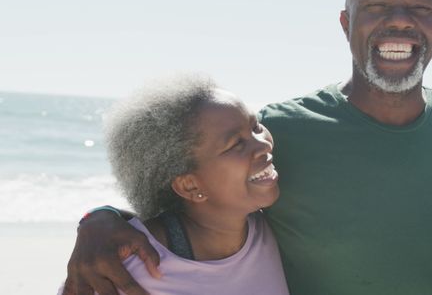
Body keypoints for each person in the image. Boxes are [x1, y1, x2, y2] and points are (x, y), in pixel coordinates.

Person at [62, 0, 432, 294]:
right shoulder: (276, 134)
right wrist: (99, 219)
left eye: (419, 8)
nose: (400, 21)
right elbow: (190, 198)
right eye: (377, 6)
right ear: (345, 22)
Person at [59, 76, 289, 294]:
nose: (263, 145)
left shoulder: (277, 224)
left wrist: (99, 215)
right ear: (190, 186)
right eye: (236, 143)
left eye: (256, 127)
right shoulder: (127, 272)